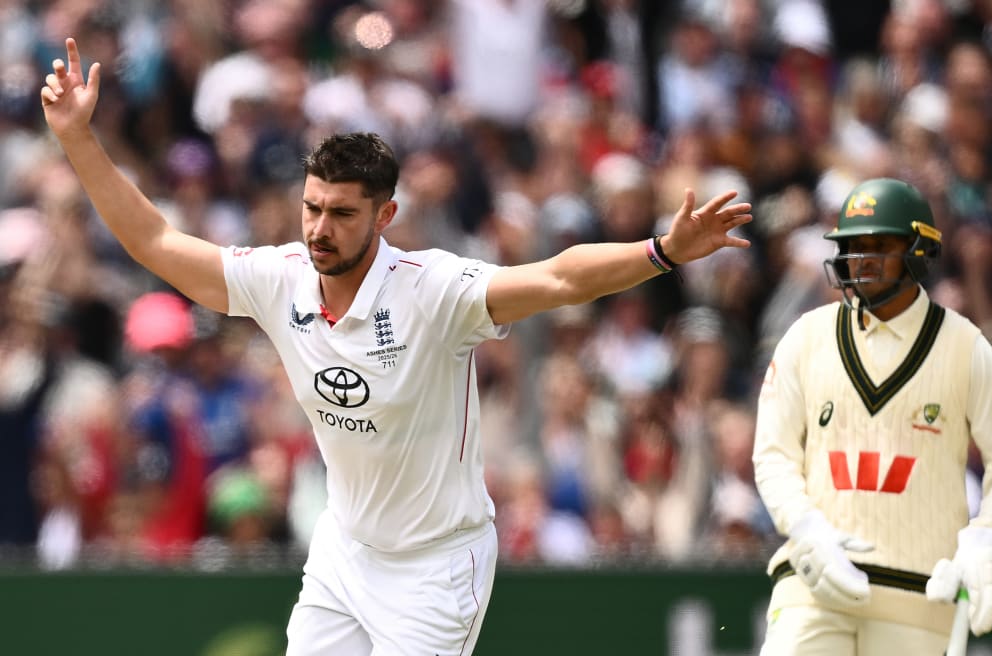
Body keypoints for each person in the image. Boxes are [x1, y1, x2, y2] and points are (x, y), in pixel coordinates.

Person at [40, 38, 752, 655]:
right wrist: (78, 138)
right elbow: (155, 241)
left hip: (437, 566)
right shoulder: (278, 277)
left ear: (386, 215)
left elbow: (560, 277)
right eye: (312, 208)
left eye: (342, 214)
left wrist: (662, 251)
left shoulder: (436, 291)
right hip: (346, 549)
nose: (319, 228)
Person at [751, 177, 992, 655]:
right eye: (851, 246)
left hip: (920, 594)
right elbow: (773, 454)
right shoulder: (806, 337)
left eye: (878, 244)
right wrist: (805, 527)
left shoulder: (966, 348)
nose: (861, 259)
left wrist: (988, 536)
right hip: (815, 582)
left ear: (919, 249)